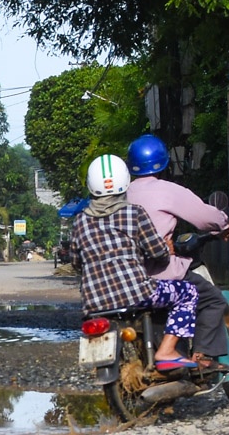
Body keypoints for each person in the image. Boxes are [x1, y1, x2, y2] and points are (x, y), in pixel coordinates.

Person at [62, 154, 199, 369]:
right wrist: (167, 249)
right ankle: (166, 351)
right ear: (126, 181)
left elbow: (77, 263)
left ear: (90, 185)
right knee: (188, 292)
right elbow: (157, 252)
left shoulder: (80, 221)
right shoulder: (134, 212)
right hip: (138, 294)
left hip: (94, 303)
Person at [124, 135, 229, 367]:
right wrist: (224, 225)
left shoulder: (121, 194)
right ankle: (203, 357)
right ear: (163, 162)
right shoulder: (166, 190)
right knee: (213, 299)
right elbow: (206, 218)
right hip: (159, 273)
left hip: (124, 279)